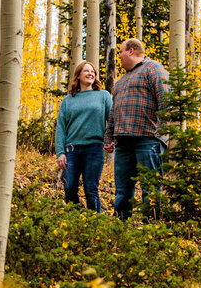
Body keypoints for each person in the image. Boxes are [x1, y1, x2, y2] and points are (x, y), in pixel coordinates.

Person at [104, 38, 169, 219]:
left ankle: (152, 231)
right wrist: (108, 138)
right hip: (123, 143)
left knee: (150, 188)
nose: (119, 56)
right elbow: (113, 113)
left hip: (147, 139)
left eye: (121, 52)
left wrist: (161, 133)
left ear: (131, 51)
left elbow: (166, 99)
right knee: (122, 190)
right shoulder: (120, 81)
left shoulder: (153, 68)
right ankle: (120, 228)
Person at [54, 61, 111, 212]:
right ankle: (75, 222)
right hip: (72, 150)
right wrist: (60, 152)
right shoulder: (68, 100)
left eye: (93, 71)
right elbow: (61, 127)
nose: (90, 73)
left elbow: (112, 120)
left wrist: (110, 140)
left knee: (91, 188)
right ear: (78, 75)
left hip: (94, 149)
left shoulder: (103, 96)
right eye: (86, 71)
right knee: (69, 186)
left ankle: (95, 223)